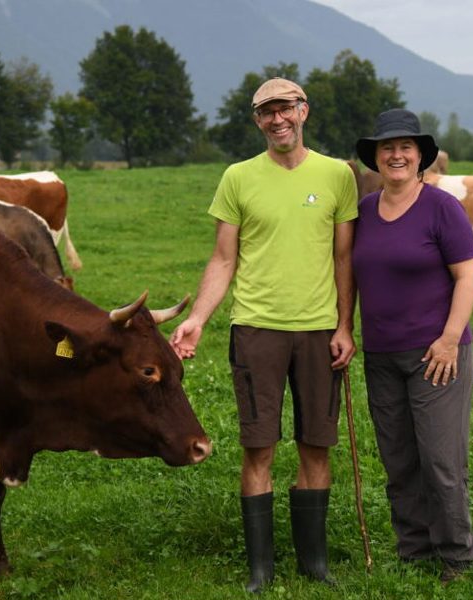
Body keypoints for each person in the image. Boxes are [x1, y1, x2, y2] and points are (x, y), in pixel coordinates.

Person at [170, 77, 358, 592]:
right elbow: (223, 258)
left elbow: (344, 258)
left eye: (286, 109)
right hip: (256, 329)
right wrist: (199, 317)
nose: (278, 119)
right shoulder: (237, 177)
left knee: (316, 446)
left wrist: (345, 325)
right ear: (257, 121)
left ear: (304, 112)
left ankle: (313, 564)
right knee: (259, 449)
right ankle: (260, 568)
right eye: (266, 112)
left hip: (319, 332)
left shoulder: (338, 175)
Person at [352, 108, 473, 584]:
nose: (396, 154)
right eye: (388, 148)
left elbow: (468, 276)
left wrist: (449, 340)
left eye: (406, 147)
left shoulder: (442, 207)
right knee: (399, 459)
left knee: (441, 461)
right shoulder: (364, 212)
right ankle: (414, 552)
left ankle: (456, 558)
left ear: (421, 156)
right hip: (381, 355)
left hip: (437, 355)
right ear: (376, 159)